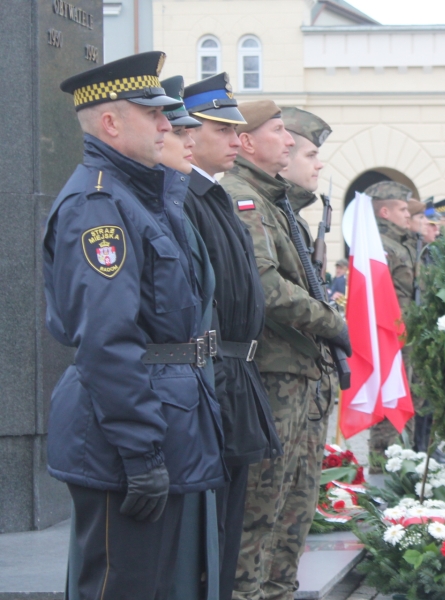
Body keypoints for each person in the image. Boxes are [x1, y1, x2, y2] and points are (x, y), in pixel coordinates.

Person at [47, 51, 225, 599]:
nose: (167, 125)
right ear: (110, 122)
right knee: (120, 587)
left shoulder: (140, 196)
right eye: (153, 114)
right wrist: (141, 452)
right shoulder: (98, 205)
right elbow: (107, 339)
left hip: (159, 421)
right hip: (123, 435)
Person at [222, 101, 349, 600]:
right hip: (271, 376)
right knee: (260, 517)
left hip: (296, 374)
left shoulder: (274, 203)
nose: (292, 143)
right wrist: (331, 322)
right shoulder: (243, 198)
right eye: (280, 132)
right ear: (247, 142)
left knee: (290, 515)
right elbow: (266, 287)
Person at [180, 74, 284, 599]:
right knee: (214, 533)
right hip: (216, 370)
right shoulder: (186, 198)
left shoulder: (214, 195)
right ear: (189, 132)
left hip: (236, 372)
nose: (235, 140)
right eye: (222, 130)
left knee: (233, 524)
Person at [365, 180, 416, 469]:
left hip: (405, 337)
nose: (408, 215)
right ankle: (383, 469)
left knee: (404, 405)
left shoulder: (401, 243)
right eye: (403, 209)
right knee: (389, 407)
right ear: (385, 212)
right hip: (389, 339)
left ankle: (402, 465)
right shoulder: (381, 246)